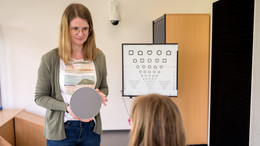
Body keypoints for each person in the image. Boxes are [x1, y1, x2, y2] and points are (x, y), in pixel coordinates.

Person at [35, 3, 108, 146]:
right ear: (65, 29)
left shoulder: (99, 57)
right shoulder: (50, 59)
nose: (81, 34)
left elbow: (104, 87)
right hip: (62, 130)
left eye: (85, 28)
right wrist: (68, 108)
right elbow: (40, 97)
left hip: (91, 130)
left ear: (90, 30)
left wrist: (100, 94)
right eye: (75, 28)